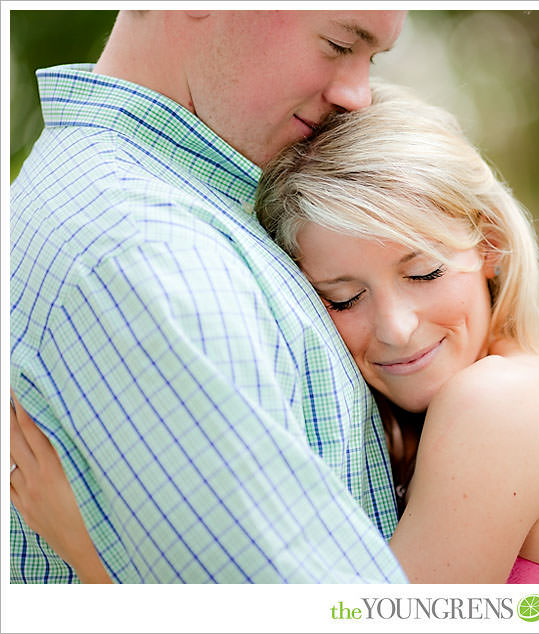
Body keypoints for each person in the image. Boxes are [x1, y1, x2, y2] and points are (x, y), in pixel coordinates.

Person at [12, 81, 539, 583]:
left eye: (423, 272)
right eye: (343, 297)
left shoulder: (498, 406)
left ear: (489, 247)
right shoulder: (498, 397)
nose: (395, 328)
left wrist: (91, 556)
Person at [8, 10, 409, 583]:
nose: (358, 94)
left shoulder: (185, 215)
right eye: (338, 43)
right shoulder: (147, 251)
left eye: (370, 61)